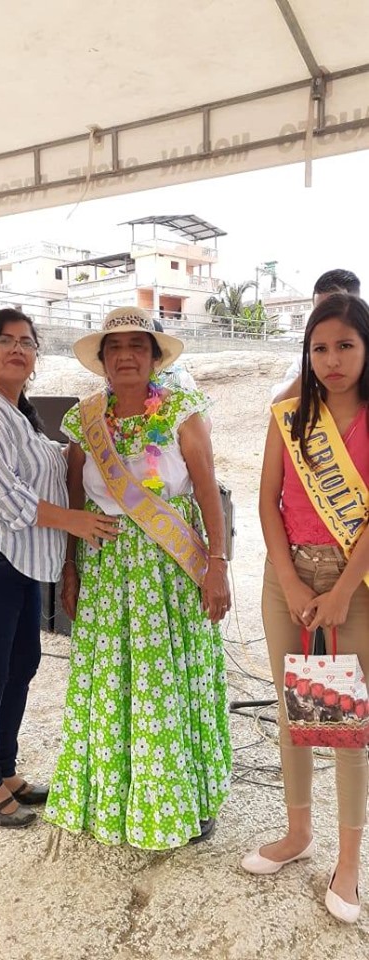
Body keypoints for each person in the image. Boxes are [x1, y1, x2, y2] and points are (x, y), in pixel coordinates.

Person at [44, 307, 232, 849]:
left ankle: (185, 800)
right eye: (115, 347)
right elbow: (75, 496)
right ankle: (118, 800)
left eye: (137, 346)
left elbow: (207, 491)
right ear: (103, 359)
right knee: (113, 681)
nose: (126, 355)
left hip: (171, 571)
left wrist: (217, 565)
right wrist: (70, 567)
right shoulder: (85, 419)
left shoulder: (181, 411)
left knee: (168, 681)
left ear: (154, 357)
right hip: (106, 568)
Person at [0, 308, 118, 830]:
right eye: (5, 340)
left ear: (36, 357)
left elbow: (61, 464)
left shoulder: (19, 414)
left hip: (15, 560)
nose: (17, 349)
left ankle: (5, 769)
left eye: (27, 342)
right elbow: (3, 496)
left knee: (20, 665)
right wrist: (76, 521)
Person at [242, 293, 369, 924]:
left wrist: (341, 591)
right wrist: (290, 583)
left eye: (345, 345)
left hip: (356, 583)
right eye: (320, 347)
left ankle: (349, 862)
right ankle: (298, 834)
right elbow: (267, 499)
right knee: (294, 710)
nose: (332, 359)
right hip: (286, 580)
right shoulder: (289, 416)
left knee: (345, 721)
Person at [272, 270, 361, 402]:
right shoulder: (305, 362)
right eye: (319, 312)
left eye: (333, 311)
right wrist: (310, 372)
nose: (324, 319)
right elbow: (278, 404)